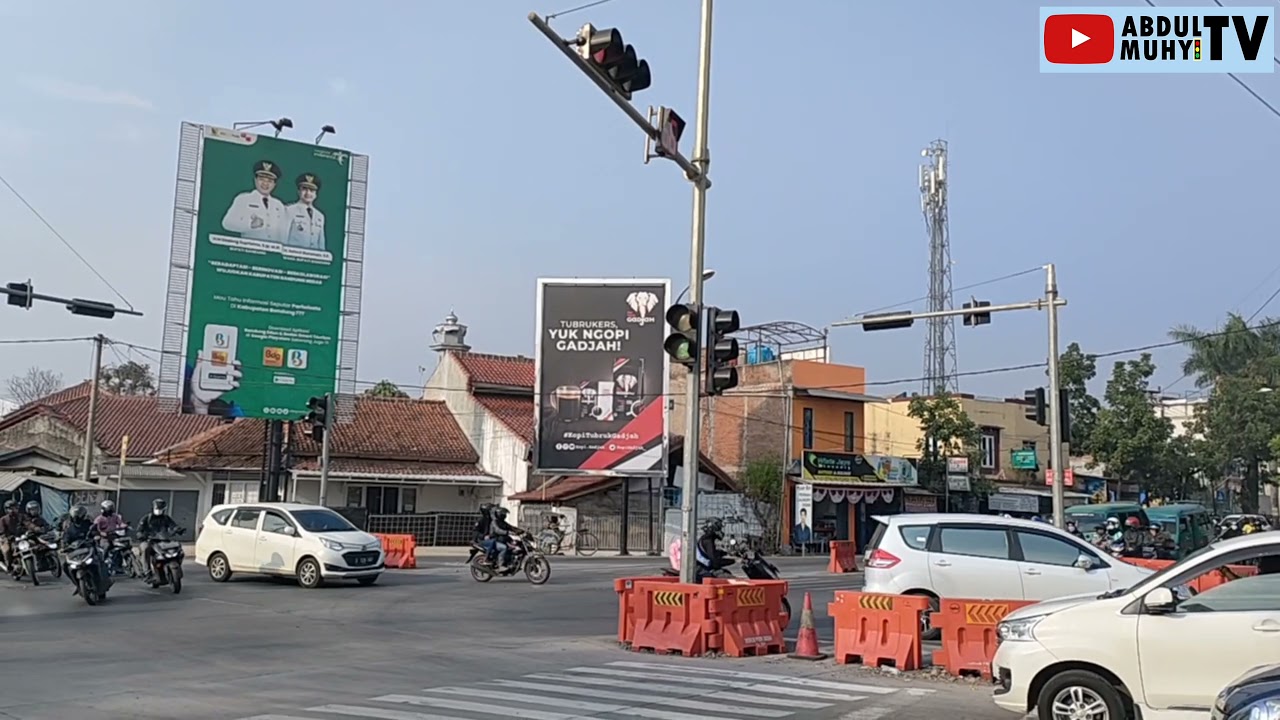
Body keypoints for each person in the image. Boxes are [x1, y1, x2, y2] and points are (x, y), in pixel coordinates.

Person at [221, 160, 289, 243]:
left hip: (273, 251)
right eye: (262, 179)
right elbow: (227, 223)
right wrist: (250, 224)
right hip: (251, 250)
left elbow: (284, 233)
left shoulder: (278, 205)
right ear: (255, 180)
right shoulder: (243, 199)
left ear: (274, 184)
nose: (265, 184)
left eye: (269, 181)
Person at [135, 498, 180, 582]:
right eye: (157, 509)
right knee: (145, 548)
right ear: (153, 508)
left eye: (161, 509)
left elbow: (173, 525)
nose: (159, 511)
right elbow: (139, 530)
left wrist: (177, 529)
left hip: (163, 541)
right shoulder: (147, 518)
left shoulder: (166, 518)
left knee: (177, 547)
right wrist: (141, 535)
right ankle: (147, 573)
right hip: (149, 540)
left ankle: (175, 565)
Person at [284, 173, 326, 250]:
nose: (308, 193)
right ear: (298, 191)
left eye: (311, 190)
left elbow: (321, 243)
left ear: (316, 194)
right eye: (304, 189)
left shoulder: (320, 216)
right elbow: (283, 237)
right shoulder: (289, 210)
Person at [0, 500, 23, 576]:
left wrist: (35, 529)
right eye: (11, 508)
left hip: (20, 538)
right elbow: (2, 531)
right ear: (6, 510)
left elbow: (28, 524)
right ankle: (9, 566)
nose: (13, 510)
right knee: (7, 550)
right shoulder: (3, 519)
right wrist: (6, 537)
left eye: (15, 508)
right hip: (8, 539)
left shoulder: (21, 517)